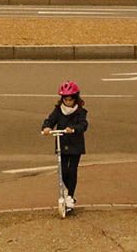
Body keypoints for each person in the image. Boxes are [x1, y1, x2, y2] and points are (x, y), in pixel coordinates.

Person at [40, 80, 88, 210]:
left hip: (75, 145)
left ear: (75, 99)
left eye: (70, 99)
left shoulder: (80, 112)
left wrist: (73, 129)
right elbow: (50, 120)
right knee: (62, 171)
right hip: (62, 144)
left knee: (72, 170)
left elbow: (83, 125)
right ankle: (67, 191)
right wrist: (46, 127)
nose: (68, 102)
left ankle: (70, 196)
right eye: (65, 99)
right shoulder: (58, 111)